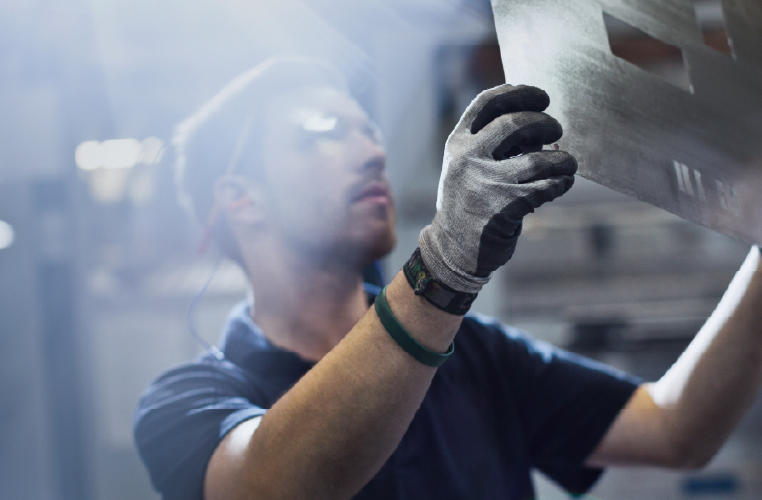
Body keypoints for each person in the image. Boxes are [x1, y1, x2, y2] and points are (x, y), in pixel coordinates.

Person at [133, 56, 762, 500]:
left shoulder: (477, 355)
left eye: (368, 132)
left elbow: (675, 429)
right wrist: (445, 263)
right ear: (240, 198)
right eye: (323, 134)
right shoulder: (188, 403)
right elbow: (269, 487)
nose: (372, 153)